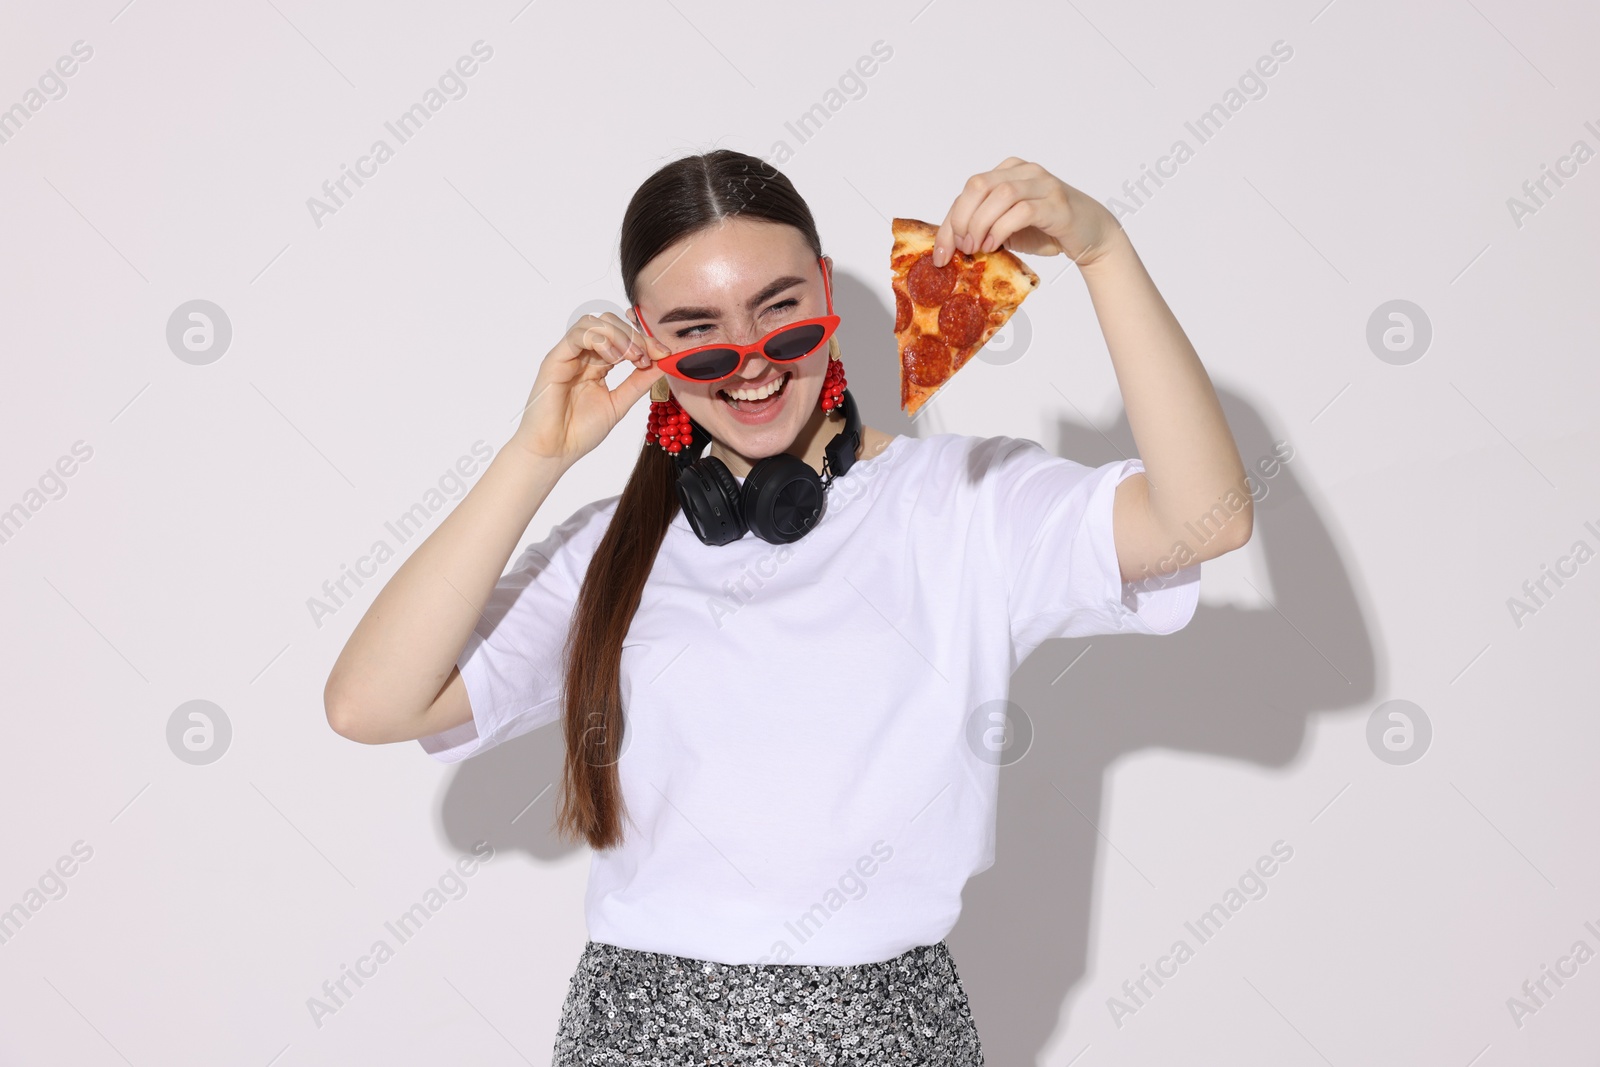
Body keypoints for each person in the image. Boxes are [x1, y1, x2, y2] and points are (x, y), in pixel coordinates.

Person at [323, 149, 1252, 1064]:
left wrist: (1105, 251)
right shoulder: (607, 551)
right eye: (700, 332)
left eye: (781, 314)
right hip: (636, 1037)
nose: (753, 363)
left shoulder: (967, 502)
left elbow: (1203, 518)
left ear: (824, 294)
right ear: (648, 344)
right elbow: (370, 703)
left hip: (894, 1035)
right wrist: (537, 455)